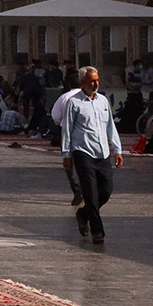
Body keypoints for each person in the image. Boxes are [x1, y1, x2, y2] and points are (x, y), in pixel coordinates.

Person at [61, 66, 123, 245]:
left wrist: (117, 149)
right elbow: (67, 130)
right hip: (83, 151)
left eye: (97, 80)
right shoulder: (73, 103)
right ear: (82, 83)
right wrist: (67, 154)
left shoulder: (103, 101)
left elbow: (110, 126)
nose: (95, 84)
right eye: (91, 81)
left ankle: (83, 213)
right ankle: (97, 231)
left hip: (102, 151)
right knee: (90, 192)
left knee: (106, 190)